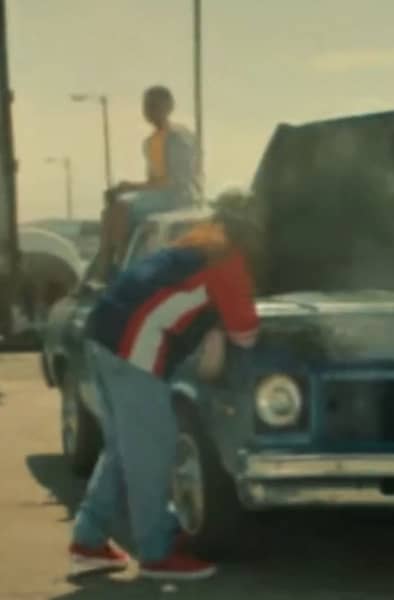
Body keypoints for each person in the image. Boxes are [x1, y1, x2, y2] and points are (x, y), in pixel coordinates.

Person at [68, 190, 261, 580]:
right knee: (152, 446)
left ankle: (88, 541)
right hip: (133, 347)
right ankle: (157, 552)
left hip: (102, 332)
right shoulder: (227, 260)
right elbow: (246, 334)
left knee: (124, 447)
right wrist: (224, 325)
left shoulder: (194, 242)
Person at [96, 85, 202, 278]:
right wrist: (128, 188)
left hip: (177, 196)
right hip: (158, 194)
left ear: (168, 107)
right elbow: (153, 181)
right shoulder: (150, 142)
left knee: (121, 207)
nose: (150, 110)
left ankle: (118, 265)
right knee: (110, 210)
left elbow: (176, 181)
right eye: (147, 106)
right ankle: (104, 260)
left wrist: (131, 186)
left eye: (154, 105)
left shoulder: (178, 137)